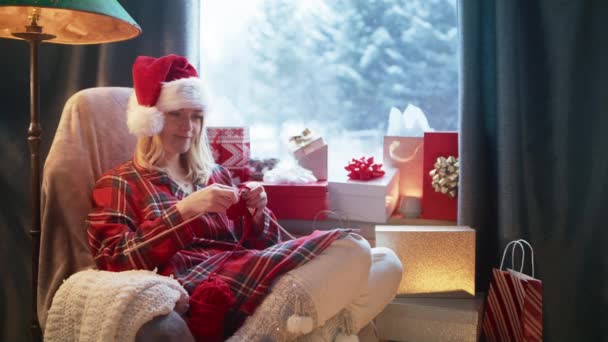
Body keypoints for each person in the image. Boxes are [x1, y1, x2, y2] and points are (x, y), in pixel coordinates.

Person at [86, 54, 402, 341]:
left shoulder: (216, 175)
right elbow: (113, 260)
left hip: (249, 271)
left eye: (196, 116)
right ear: (151, 119)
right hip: (204, 285)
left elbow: (268, 245)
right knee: (353, 248)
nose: (189, 127)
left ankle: (312, 334)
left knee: (387, 262)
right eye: (176, 115)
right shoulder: (121, 182)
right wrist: (185, 211)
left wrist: (259, 214)